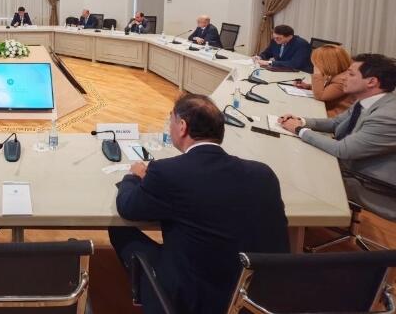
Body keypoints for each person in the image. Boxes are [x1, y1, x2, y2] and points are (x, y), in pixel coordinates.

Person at [109, 93, 289, 314]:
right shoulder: (263, 174)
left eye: (171, 120)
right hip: (258, 299)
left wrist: (133, 177)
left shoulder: (167, 173)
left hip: (197, 301)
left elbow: (127, 206)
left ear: (182, 127)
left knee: (119, 230)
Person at [278, 53, 396, 220]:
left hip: (366, 181)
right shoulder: (368, 99)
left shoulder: (387, 116)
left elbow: (343, 150)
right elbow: (335, 123)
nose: (344, 78)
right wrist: (301, 121)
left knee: (289, 168)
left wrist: (298, 130)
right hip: (347, 162)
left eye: (351, 74)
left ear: (371, 82)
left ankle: (292, 221)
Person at [294, 44, 354, 116]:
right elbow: (328, 89)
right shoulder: (338, 73)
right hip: (327, 109)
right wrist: (308, 86)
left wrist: (317, 72)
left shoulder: (342, 80)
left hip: (334, 115)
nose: (315, 65)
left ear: (328, 63)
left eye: (317, 63)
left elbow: (320, 96)